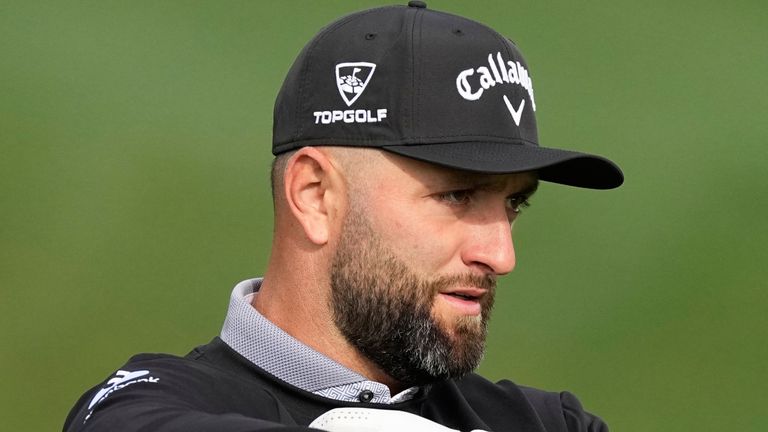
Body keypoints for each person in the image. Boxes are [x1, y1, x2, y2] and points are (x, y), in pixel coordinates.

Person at [63, 2, 623, 431]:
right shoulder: (144, 407)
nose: (501, 255)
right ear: (314, 195)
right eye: (457, 196)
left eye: (514, 203)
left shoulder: (547, 423)